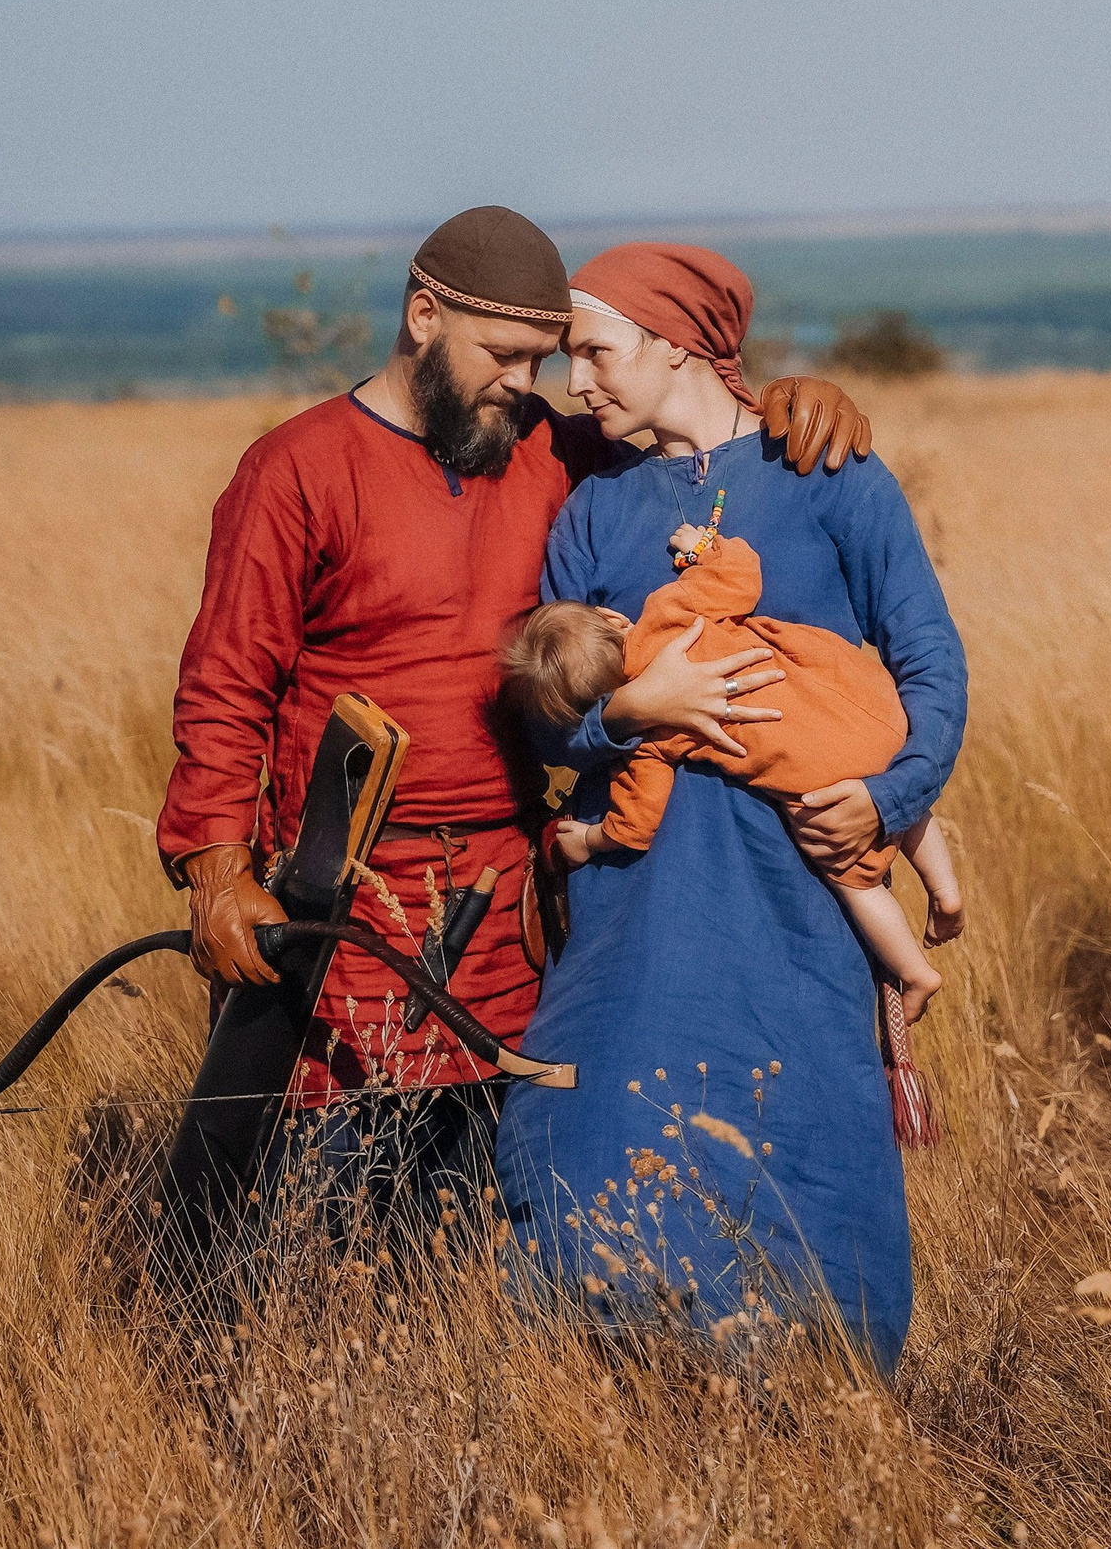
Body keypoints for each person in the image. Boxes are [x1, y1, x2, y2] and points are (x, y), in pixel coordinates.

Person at [155, 206, 874, 1238]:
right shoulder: (294, 470)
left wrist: (789, 403)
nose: (524, 384)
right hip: (338, 905)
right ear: (421, 316)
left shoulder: (544, 449)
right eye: (502, 355)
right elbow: (226, 684)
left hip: (509, 899)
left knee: (470, 1220)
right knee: (310, 1219)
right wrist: (217, 866)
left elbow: (690, 433)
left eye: (543, 359)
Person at [493, 242, 967, 1373]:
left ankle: (822, 1404)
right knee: (595, 1144)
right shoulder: (594, 508)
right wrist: (628, 713)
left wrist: (885, 800)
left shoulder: (834, 474)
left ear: (677, 341)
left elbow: (931, 667)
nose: (578, 384)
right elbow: (543, 713)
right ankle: (604, 1410)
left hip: (799, 904)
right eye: (568, 359)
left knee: (799, 1147)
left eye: (597, 352)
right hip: (633, 910)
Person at [502, 531, 963, 1023]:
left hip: (819, 772)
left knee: (853, 879)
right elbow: (743, 572)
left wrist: (591, 841)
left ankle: (916, 972)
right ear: (614, 620)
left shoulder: (649, 741)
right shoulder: (671, 612)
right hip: (862, 697)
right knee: (903, 800)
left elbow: (635, 825)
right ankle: (946, 889)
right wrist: (704, 548)